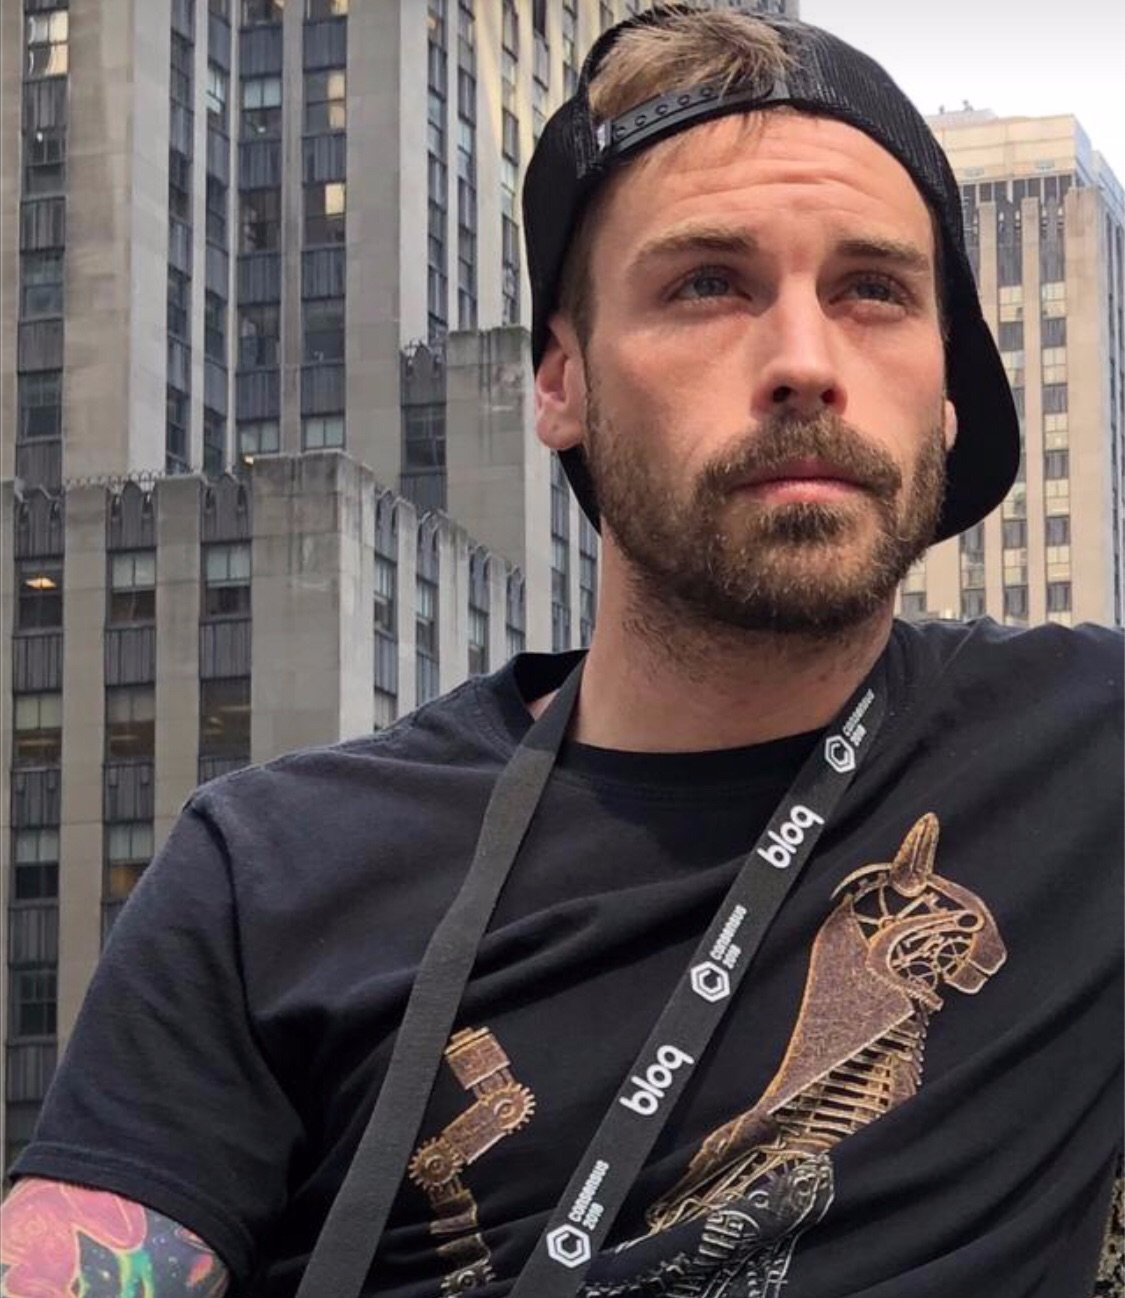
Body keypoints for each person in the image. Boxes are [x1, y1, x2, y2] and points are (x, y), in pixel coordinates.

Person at [2, 6, 1121, 1297]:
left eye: (874, 291)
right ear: (561, 383)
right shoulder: (271, 868)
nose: (805, 362)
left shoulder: (1088, 753)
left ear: (946, 393)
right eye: (706, 284)